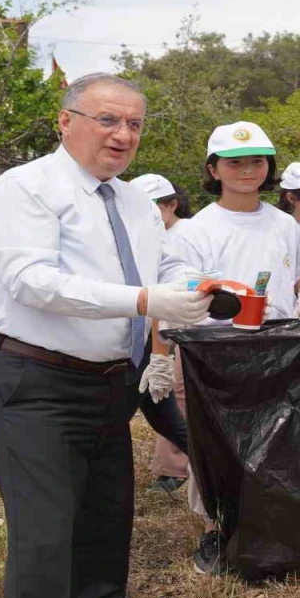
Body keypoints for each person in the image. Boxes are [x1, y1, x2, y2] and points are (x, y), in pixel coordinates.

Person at [0, 73, 212, 598]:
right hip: (33, 380)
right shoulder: (21, 191)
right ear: (65, 120)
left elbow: (164, 264)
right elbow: (32, 282)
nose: (123, 135)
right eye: (108, 120)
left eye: (133, 124)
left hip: (111, 379)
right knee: (45, 525)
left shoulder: (133, 200)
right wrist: (142, 301)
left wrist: (188, 285)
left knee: (107, 510)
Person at [170, 121, 300, 574]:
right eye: (234, 162)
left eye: (256, 161)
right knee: (216, 443)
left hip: (279, 345)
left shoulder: (285, 224)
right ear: (214, 169)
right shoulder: (197, 229)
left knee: (275, 439)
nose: (247, 170)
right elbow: (181, 283)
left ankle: (268, 528)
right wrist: (223, 295)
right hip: (218, 349)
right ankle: (214, 527)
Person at [129, 173, 195, 494]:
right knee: (163, 413)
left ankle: (209, 466)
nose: (149, 213)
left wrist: (160, 353)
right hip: (141, 338)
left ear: (172, 205)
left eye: (156, 206)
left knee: (169, 405)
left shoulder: (182, 238)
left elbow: (163, 297)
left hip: (172, 332)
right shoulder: (138, 237)